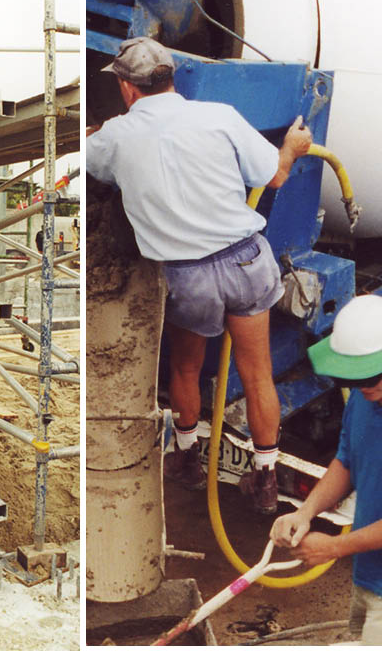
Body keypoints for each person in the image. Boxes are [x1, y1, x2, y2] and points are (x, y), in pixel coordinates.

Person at [86, 36, 313, 514]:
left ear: (127, 87)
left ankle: (187, 461)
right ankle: (265, 480)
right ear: (171, 78)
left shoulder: (116, 136)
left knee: (185, 368)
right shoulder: (219, 115)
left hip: (189, 276)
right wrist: (292, 148)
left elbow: (91, 159)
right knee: (258, 374)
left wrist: (96, 131)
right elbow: (274, 175)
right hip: (246, 259)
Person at [271, 295, 382, 645]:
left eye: (373, 375)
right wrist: (305, 513)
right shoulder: (364, 400)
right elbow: (346, 461)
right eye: (354, 378)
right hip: (368, 576)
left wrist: (335, 546)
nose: (365, 386)